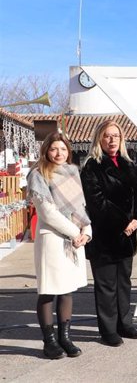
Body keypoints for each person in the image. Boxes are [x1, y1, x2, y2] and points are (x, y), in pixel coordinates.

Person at [80, 120, 137, 346]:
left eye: (116, 136)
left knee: (124, 283)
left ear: (122, 138)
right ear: (99, 138)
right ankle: (108, 330)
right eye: (107, 136)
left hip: (127, 236)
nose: (112, 140)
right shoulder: (92, 166)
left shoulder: (129, 164)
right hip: (105, 236)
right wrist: (124, 222)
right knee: (106, 286)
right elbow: (97, 203)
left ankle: (124, 324)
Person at [27, 131, 92, 359]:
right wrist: (75, 232)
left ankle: (66, 338)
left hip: (73, 241)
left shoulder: (72, 172)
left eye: (63, 149)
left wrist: (87, 231)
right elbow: (48, 212)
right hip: (53, 239)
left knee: (67, 290)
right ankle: (50, 341)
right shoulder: (38, 174)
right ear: (46, 150)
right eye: (54, 149)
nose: (59, 153)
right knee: (48, 290)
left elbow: (80, 207)